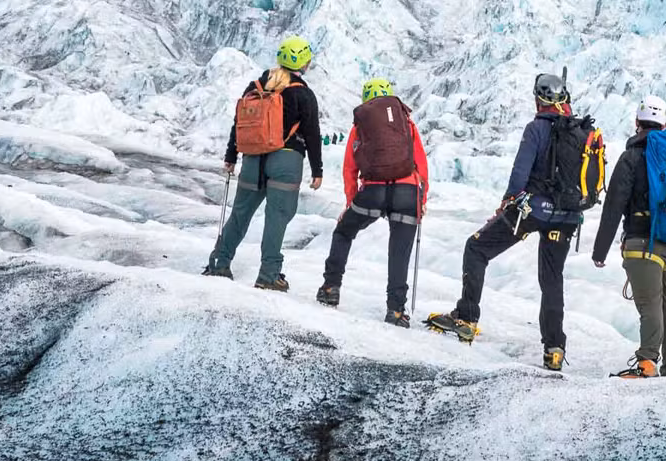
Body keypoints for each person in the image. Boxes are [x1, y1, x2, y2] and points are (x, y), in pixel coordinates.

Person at [426, 72, 605, 371]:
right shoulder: (581, 132)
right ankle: (554, 348)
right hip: (568, 217)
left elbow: (519, 176)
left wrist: (506, 205)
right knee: (552, 279)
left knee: (476, 249)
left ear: (538, 99)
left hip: (532, 211)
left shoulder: (536, 129)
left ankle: (466, 318)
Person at [203, 36, 324, 290]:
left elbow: (240, 122)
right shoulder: (303, 93)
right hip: (286, 160)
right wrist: (317, 170)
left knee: (240, 213)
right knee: (276, 218)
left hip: (252, 159)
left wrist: (230, 156)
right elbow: (312, 134)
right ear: (302, 62)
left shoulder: (256, 86)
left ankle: (219, 262)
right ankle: (269, 275)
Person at [316, 79, 429, 327]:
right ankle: (396, 311)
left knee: (344, 232)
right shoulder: (406, 124)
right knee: (399, 252)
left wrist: (350, 200)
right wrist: (421, 199)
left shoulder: (361, 127)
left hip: (373, 192)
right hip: (407, 192)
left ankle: (331, 287)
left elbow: (350, 167)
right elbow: (421, 164)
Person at [591, 95, 666, 379]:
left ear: (636, 123)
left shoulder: (631, 157)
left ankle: (646, 362)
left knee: (649, 306)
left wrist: (600, 250)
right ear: (664, 124)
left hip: (641, 242)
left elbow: (614, 204)